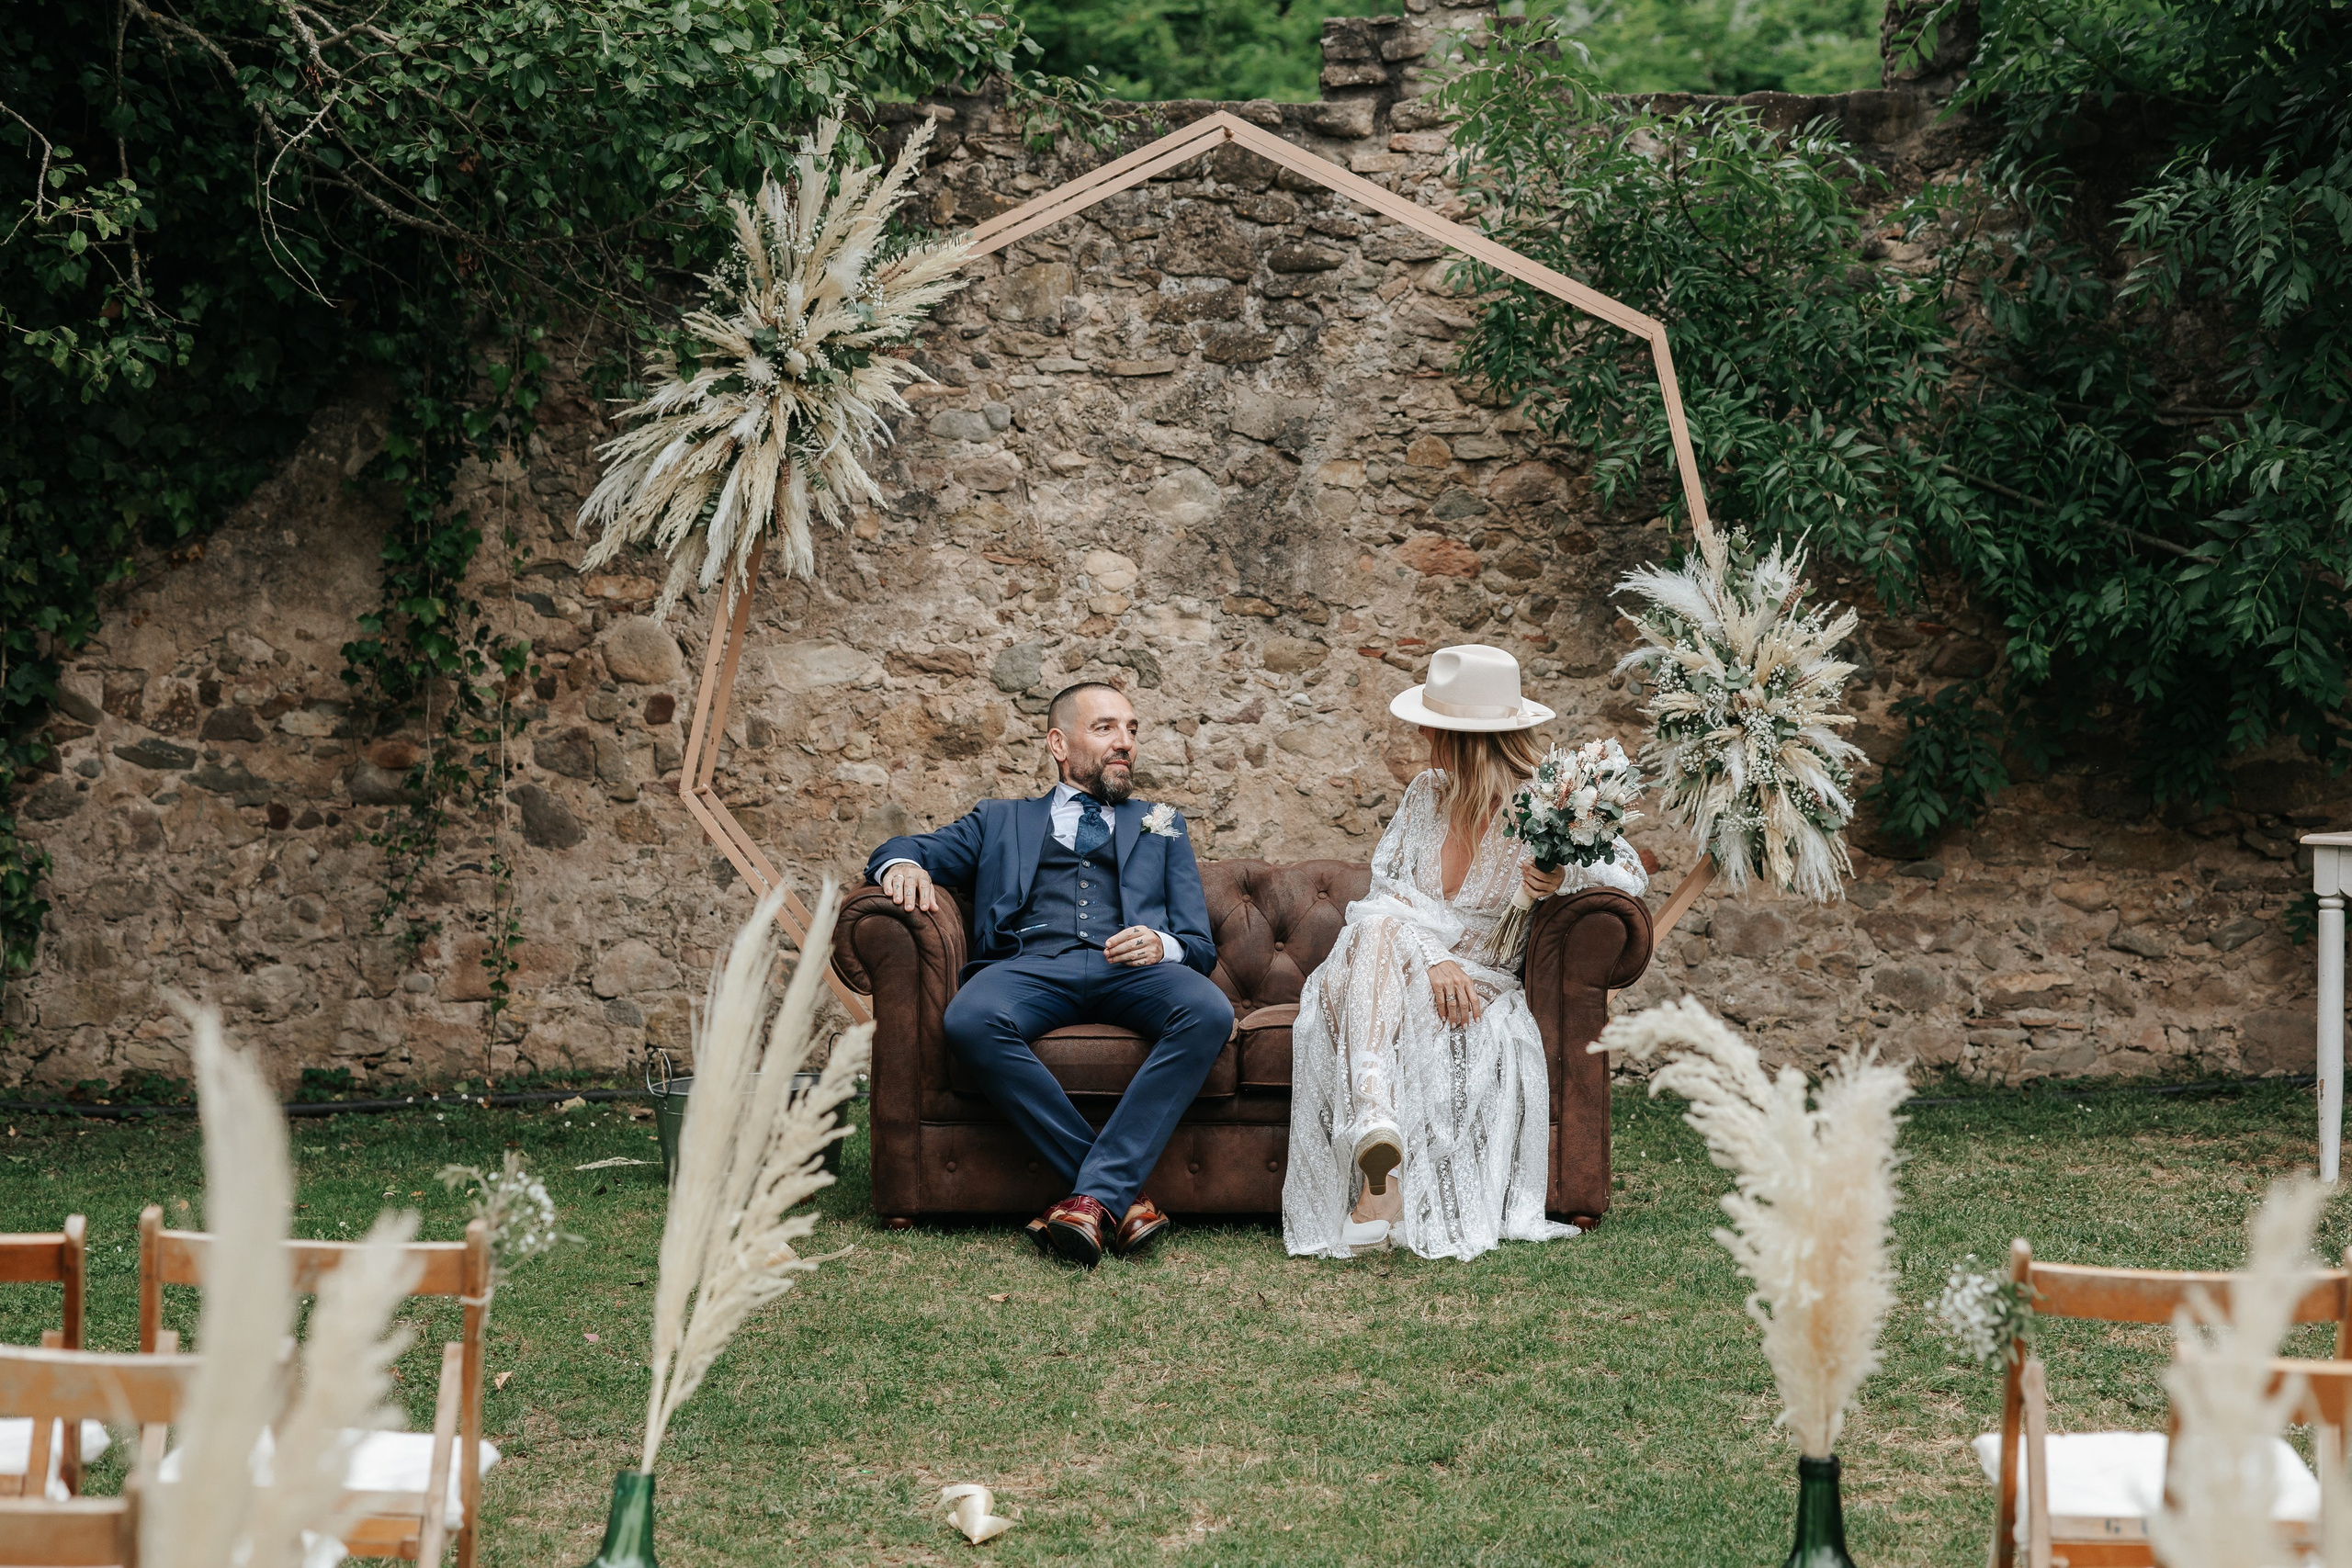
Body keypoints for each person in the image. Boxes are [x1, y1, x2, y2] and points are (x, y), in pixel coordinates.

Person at [1282, 644, 1647, 1262]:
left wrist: (1561, 874)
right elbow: (1384, 893)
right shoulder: (1426, 794)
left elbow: (1630, 879)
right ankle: (1376, 1129)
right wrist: (1431, 955)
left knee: (1369, 949)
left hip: (1477, 981)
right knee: (1371, 931)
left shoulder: (1546, 807)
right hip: (1400, 960)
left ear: (1464, 739)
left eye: (1434, 725)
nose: (1423, 734)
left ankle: (1379, 1172)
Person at [865, 682, 1232, 1269]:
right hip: (1030, 967)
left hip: (1131, 971)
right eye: (1106, 728)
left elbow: (1199, 944)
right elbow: (908, 846)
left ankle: (1090, 1199)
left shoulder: (1161, 822)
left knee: (1209, 1011)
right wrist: (901, 864)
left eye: (1131, 729)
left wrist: (1161, 943)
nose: (1125, 742)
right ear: (1059, 744)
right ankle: (1116, 1198)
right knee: (971, 1018)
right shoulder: (1000, 819)